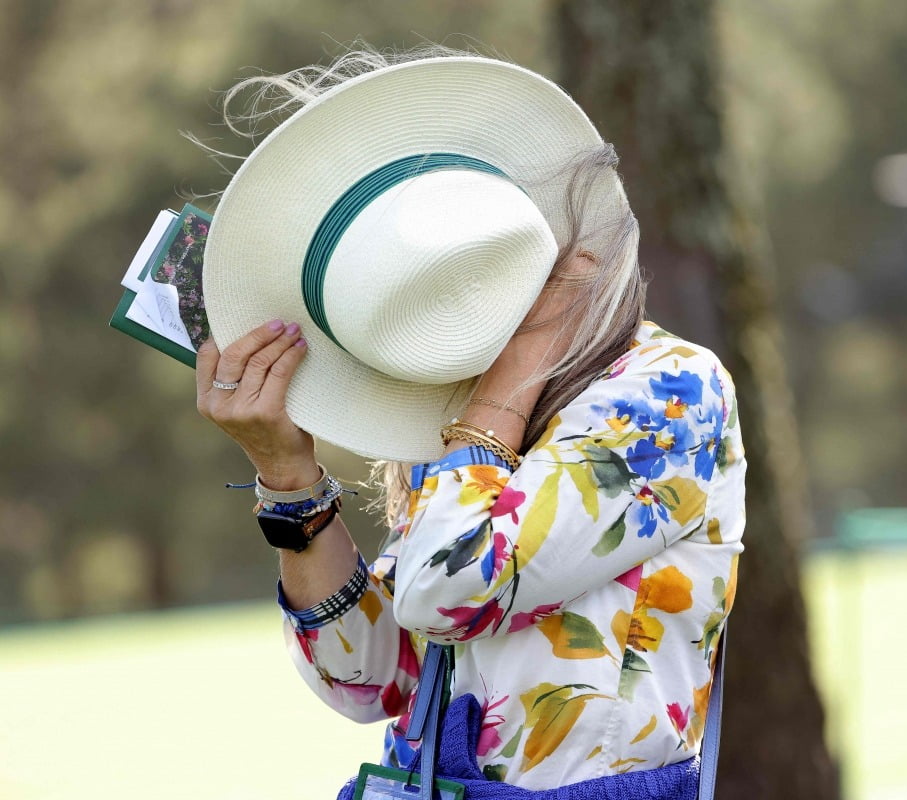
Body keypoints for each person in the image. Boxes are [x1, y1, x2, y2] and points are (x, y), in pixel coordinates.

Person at [194, 47, 745, 794]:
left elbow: (450, 594)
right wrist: (289, 483)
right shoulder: (461, 422)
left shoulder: (667, 391)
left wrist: (513, 374)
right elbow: (367, 682)